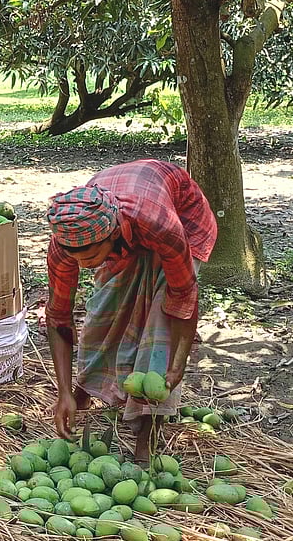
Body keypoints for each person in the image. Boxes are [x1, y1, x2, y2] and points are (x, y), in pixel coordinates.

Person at [43, 159, 217, 464]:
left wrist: (176, 364)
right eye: (77, 258)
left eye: (92, 257)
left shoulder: (161, 226)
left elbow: (183, 297)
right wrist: (63, 391)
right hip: (127, 219)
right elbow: (59, 318)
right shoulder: (67, 240)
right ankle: (83, 393)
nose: (84, 265)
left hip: (182, 217)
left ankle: (147, 435)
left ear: (111, 235)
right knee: (104, 313)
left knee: (159, 326)